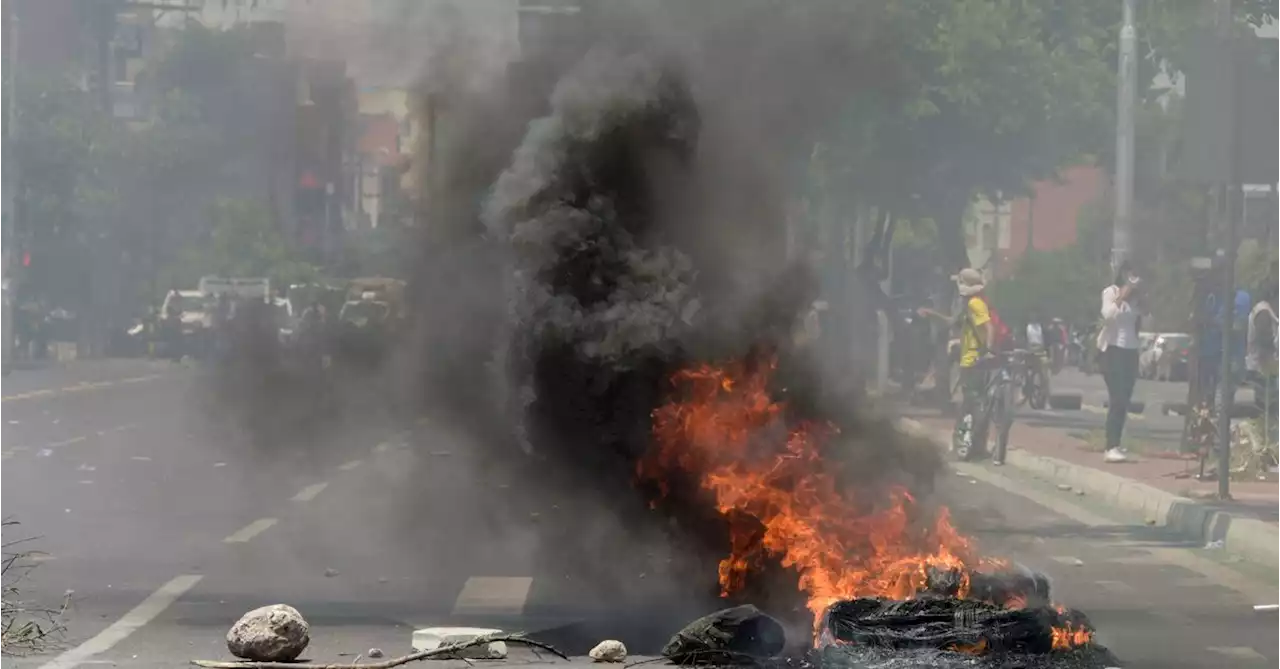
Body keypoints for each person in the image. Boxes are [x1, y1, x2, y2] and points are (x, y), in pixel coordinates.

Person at [919, 268, 997, 462]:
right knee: (971, 404)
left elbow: (989, 327)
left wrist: (986, 351)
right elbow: (952, 322)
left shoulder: (976, 304)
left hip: (973, 361)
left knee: (971, 405)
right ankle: (970, 446)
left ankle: (967, 447)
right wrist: (933, 314)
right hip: (968, 360)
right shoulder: (968, 305)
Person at [1097, 261, 1144, 463]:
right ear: (1123, 274)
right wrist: (1121, 297)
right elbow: (1107, 316)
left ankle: (1116, 441)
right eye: (1130, 274)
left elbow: (1145, 318)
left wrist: (1142, 299)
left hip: (1131, 351)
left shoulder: (1136, 299)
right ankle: (1110, 446)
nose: (1133, 278)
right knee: (1116, 397)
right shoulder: (1110, 292)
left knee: (1125, 398)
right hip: (1112, 350)